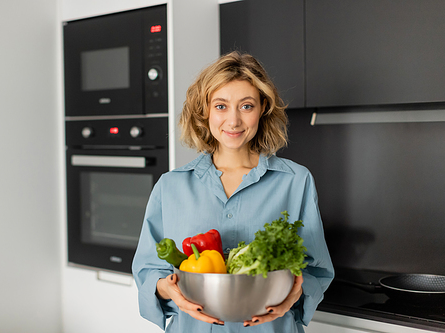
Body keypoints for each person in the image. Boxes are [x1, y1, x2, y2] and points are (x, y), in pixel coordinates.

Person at [132, 51, 334, 333]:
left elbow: (316, 270)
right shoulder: (170, 186)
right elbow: (147, 270)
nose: (234, 121)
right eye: (221, 106)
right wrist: (168, 289)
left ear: (263, 108)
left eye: (246, 106)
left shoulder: (295, 181)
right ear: (204, 111)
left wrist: (294, 294)